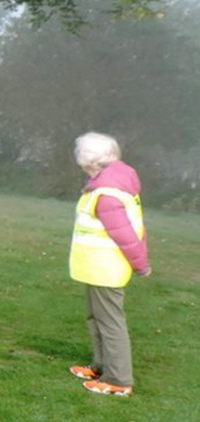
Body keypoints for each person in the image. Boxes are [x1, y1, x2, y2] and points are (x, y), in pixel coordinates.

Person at [68, 132, 151, 396]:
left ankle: (118, 380)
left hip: (107, 268)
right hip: (96, 267)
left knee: (110, 322)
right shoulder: (107, 184)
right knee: (97, 318)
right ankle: (100, 366)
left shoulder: (107, 194)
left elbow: (127, 236)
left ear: (89, 161)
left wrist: (142, 266)